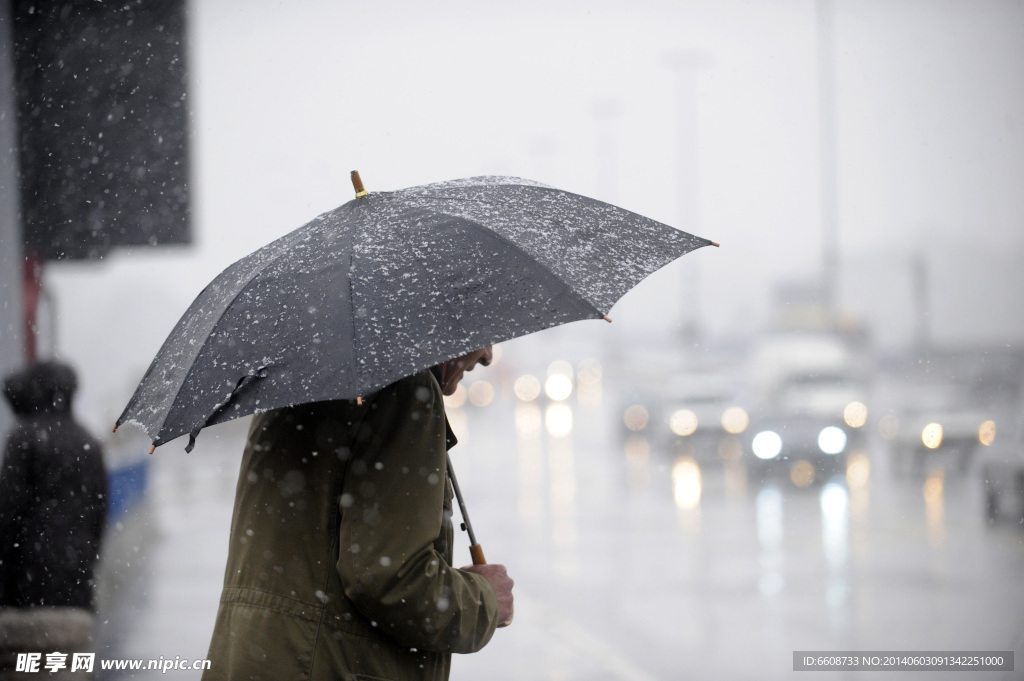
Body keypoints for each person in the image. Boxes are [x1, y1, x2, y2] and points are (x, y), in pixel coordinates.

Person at [204, 346, 513, 681]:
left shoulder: (297, 381)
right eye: (482, 338)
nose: (487, 356)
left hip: (251, 658)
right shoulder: (404, 387)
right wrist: (484, 599)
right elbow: (390, 580)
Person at [0, 361, 108, 678]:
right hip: (76, 593)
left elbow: (7, 517)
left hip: (27, 594)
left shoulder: (24, 438)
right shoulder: (89, 441)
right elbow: (99, 517)